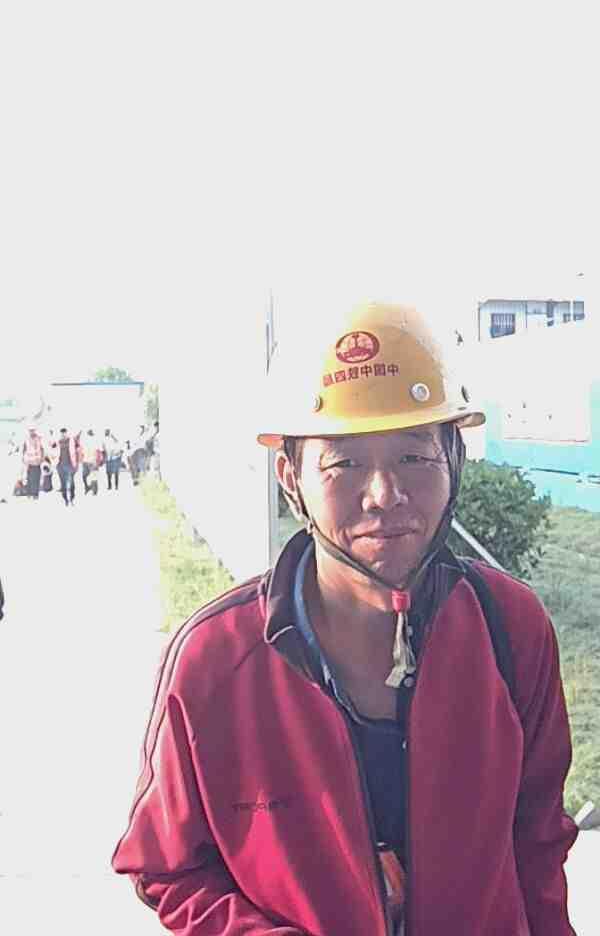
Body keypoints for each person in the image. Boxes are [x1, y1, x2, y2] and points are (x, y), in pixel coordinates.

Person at [112, 301, 578, 936]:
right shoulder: (215, 661)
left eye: (415, 457)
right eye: (344, 463)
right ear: (291, 476)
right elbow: (166, 867)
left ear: (454, 460)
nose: (385, 495)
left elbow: (539, 843)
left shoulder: (510, 628)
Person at [56, 426, 79, 507]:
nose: (63, 435)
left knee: (71, 482)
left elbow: (78, 450)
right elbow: (52, 450)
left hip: (70, 465)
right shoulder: (58, 442)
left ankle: (72, 499)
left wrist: (76, 464)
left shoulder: (72, 441)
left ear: (67, 433)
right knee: (63, 484)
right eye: (62, 433)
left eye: (64, 433)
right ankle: (65, 499)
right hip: (60, 466)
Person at [22, 425, 44, 500]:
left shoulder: (40, 438)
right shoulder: (26, 439)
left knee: (36, 478)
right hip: (29, 462)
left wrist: (42, 459)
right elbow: (24, 449)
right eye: (30, 430)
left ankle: (35, 494)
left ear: (35, 430)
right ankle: (29, 493)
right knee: (29, 478)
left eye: (33, 430)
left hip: (37, 462)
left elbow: (43, 448)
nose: (31, 432)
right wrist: (23, 459)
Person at [81, 429, 102, 495]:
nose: (89, 433)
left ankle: (94, 492)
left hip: (93, 461)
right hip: (85, 461)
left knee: (94, 477)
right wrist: (82, 459)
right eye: (88, 432)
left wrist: (97, 462)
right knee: (84, 476)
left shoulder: (96, 440)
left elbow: (99, 452)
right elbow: (82, 451)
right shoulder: (85, 440)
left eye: (90, 432)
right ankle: (87, 487)